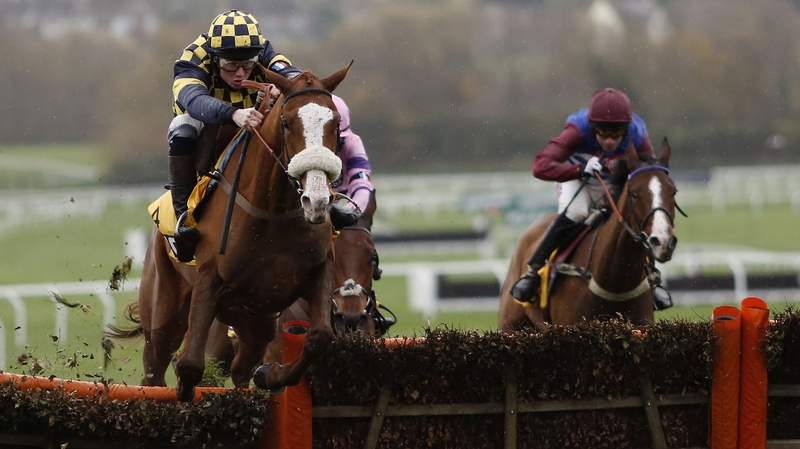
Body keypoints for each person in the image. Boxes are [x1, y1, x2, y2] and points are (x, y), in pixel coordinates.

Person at [166, 10, 358, 262]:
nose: (240, 74)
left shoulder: (263, 50)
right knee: (181, 127)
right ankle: (184, 218)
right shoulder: (192, 58)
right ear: (214, 58)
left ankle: (325, 198)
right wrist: (232, 114)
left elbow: (291, 73)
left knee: (300, 119)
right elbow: (193, 100)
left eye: (247, 64)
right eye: (230, 65)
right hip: (207, 125)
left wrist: (287, 87)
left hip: (254, 120)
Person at [509, 87, 671, 310]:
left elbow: (647, 172)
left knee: (632, 221)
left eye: (617, 133)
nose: (610, 141)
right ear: (592, 127)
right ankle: (533, 272)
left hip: (614, 183)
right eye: (603, 133)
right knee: (577, 213)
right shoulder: (577, 131)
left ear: (627, 128)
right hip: (578, 179)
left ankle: (652, 279)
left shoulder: (637, 133)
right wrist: (578, 169)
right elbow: (540, 166)